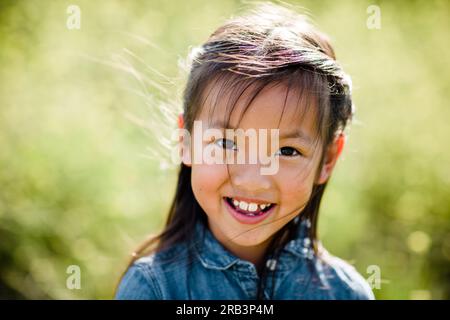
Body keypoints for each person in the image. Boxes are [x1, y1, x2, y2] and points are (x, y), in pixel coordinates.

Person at [115, 2, 375, 300]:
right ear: (186, 141)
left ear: (328, 159)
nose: (252, 180)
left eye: (287, 151)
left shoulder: (346, 294)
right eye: (226, 144)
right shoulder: (154, 289)